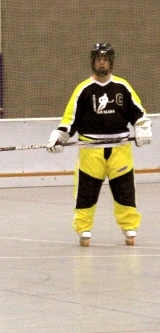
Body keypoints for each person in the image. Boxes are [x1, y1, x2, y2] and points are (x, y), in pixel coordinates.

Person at [46, 42, 152, 247]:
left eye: (105, 60)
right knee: (86, 191)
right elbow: (70, 120)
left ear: (111, 63)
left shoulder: (123, 86)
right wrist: (59, 137)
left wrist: (142, 127)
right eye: (98, 60)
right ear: (93, 62)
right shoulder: (83, 90)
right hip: (90, 151)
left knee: (125, 190)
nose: (101, 63)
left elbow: (138, 113)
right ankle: (83, 228)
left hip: (120, 149)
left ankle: (129, 226)